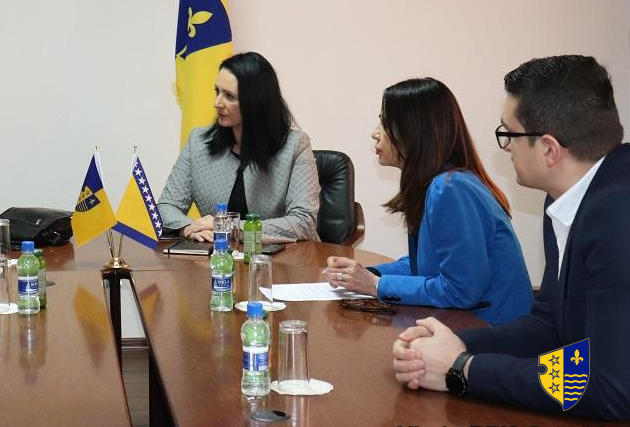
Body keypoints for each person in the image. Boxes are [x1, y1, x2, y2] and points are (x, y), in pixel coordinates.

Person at [392, 55, 630, 420]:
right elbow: (550, 327)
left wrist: (462, 369)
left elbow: (609, 388)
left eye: (509, 134)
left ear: (549, 149)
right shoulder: (569, 199)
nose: (505, 148)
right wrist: (454, 344)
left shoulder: (618, 217)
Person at [323, 78, 532, 325]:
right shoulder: (443, 182)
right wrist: (366, 274)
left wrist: (376, 285)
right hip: (467, 323)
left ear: (414, 131)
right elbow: (426, 266)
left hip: (490, 332)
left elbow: (460, 291)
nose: (375, 133)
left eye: (385, 122)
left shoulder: (451, 188)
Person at [157, 51, 320, 242]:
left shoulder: (295, 146)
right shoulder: (199, 142)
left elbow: (303, 223)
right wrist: (188, 228)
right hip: (219, 256)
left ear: (256, 102)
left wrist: (227, 225)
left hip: (283, 257)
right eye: (217, 92)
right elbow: (166, 207)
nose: (217, 103)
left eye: (229, 96)